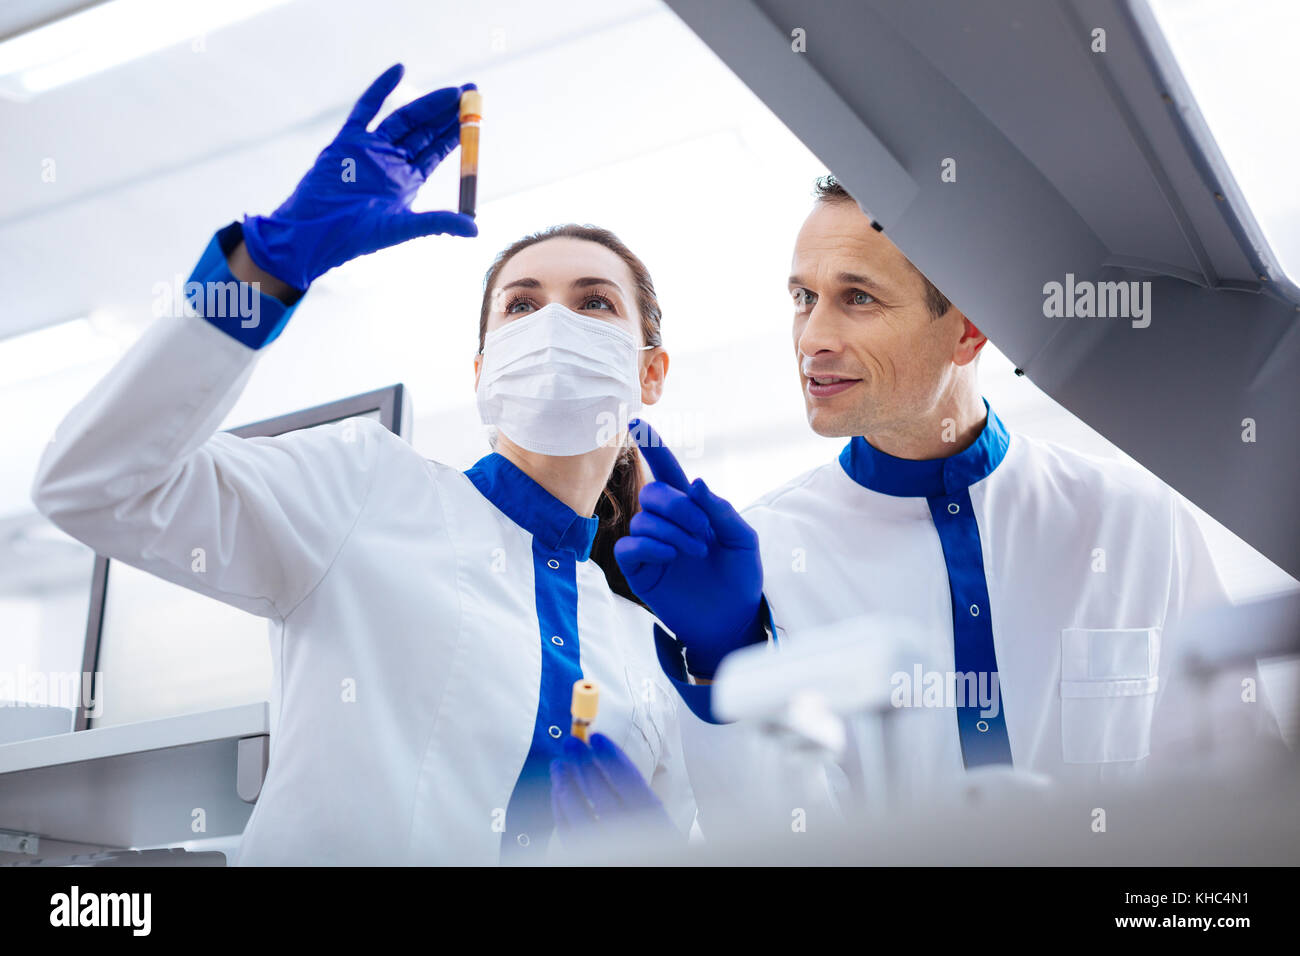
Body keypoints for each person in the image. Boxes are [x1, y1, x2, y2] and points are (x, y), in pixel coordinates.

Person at [29, 64, 694, 865]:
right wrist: (267, 269)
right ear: (483, 369)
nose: (553, 322)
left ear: (649, 374)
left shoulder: (638, 642)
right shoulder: (365, 490)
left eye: (594, 303)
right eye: (520, 305)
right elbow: (93, 484)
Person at [558, 174, 1231, 833]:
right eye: (803, 296)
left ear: (969, 329)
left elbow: (1237, 784)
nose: (811, 338)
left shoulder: (1136, 520)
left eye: (858, 298)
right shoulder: (762, 556)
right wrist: (727, 657)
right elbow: (780, 839)